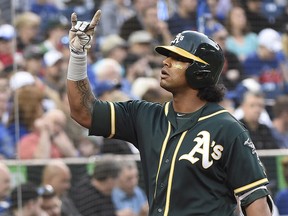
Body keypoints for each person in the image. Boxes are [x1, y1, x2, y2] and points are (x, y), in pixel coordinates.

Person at [66, 10, 273, 215]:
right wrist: (77, 54)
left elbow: (256, 203)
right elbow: (83, 112)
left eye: (177, 58)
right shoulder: (144, 115)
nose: (165, 61)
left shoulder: (227, 128)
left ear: (201, 71)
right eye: (168, 56)